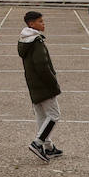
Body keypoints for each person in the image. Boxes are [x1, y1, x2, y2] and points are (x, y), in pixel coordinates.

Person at [19, 10, 63, 161]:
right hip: (43, 84)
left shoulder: (25, 40)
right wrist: (53, 83)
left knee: (42, 116)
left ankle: (48, 147)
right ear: (32, 24)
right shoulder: (36, 41)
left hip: (33, 83)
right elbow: (42, 65)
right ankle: (38, 143)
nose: (43, 24)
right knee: (54, 115)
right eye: (40, 21)